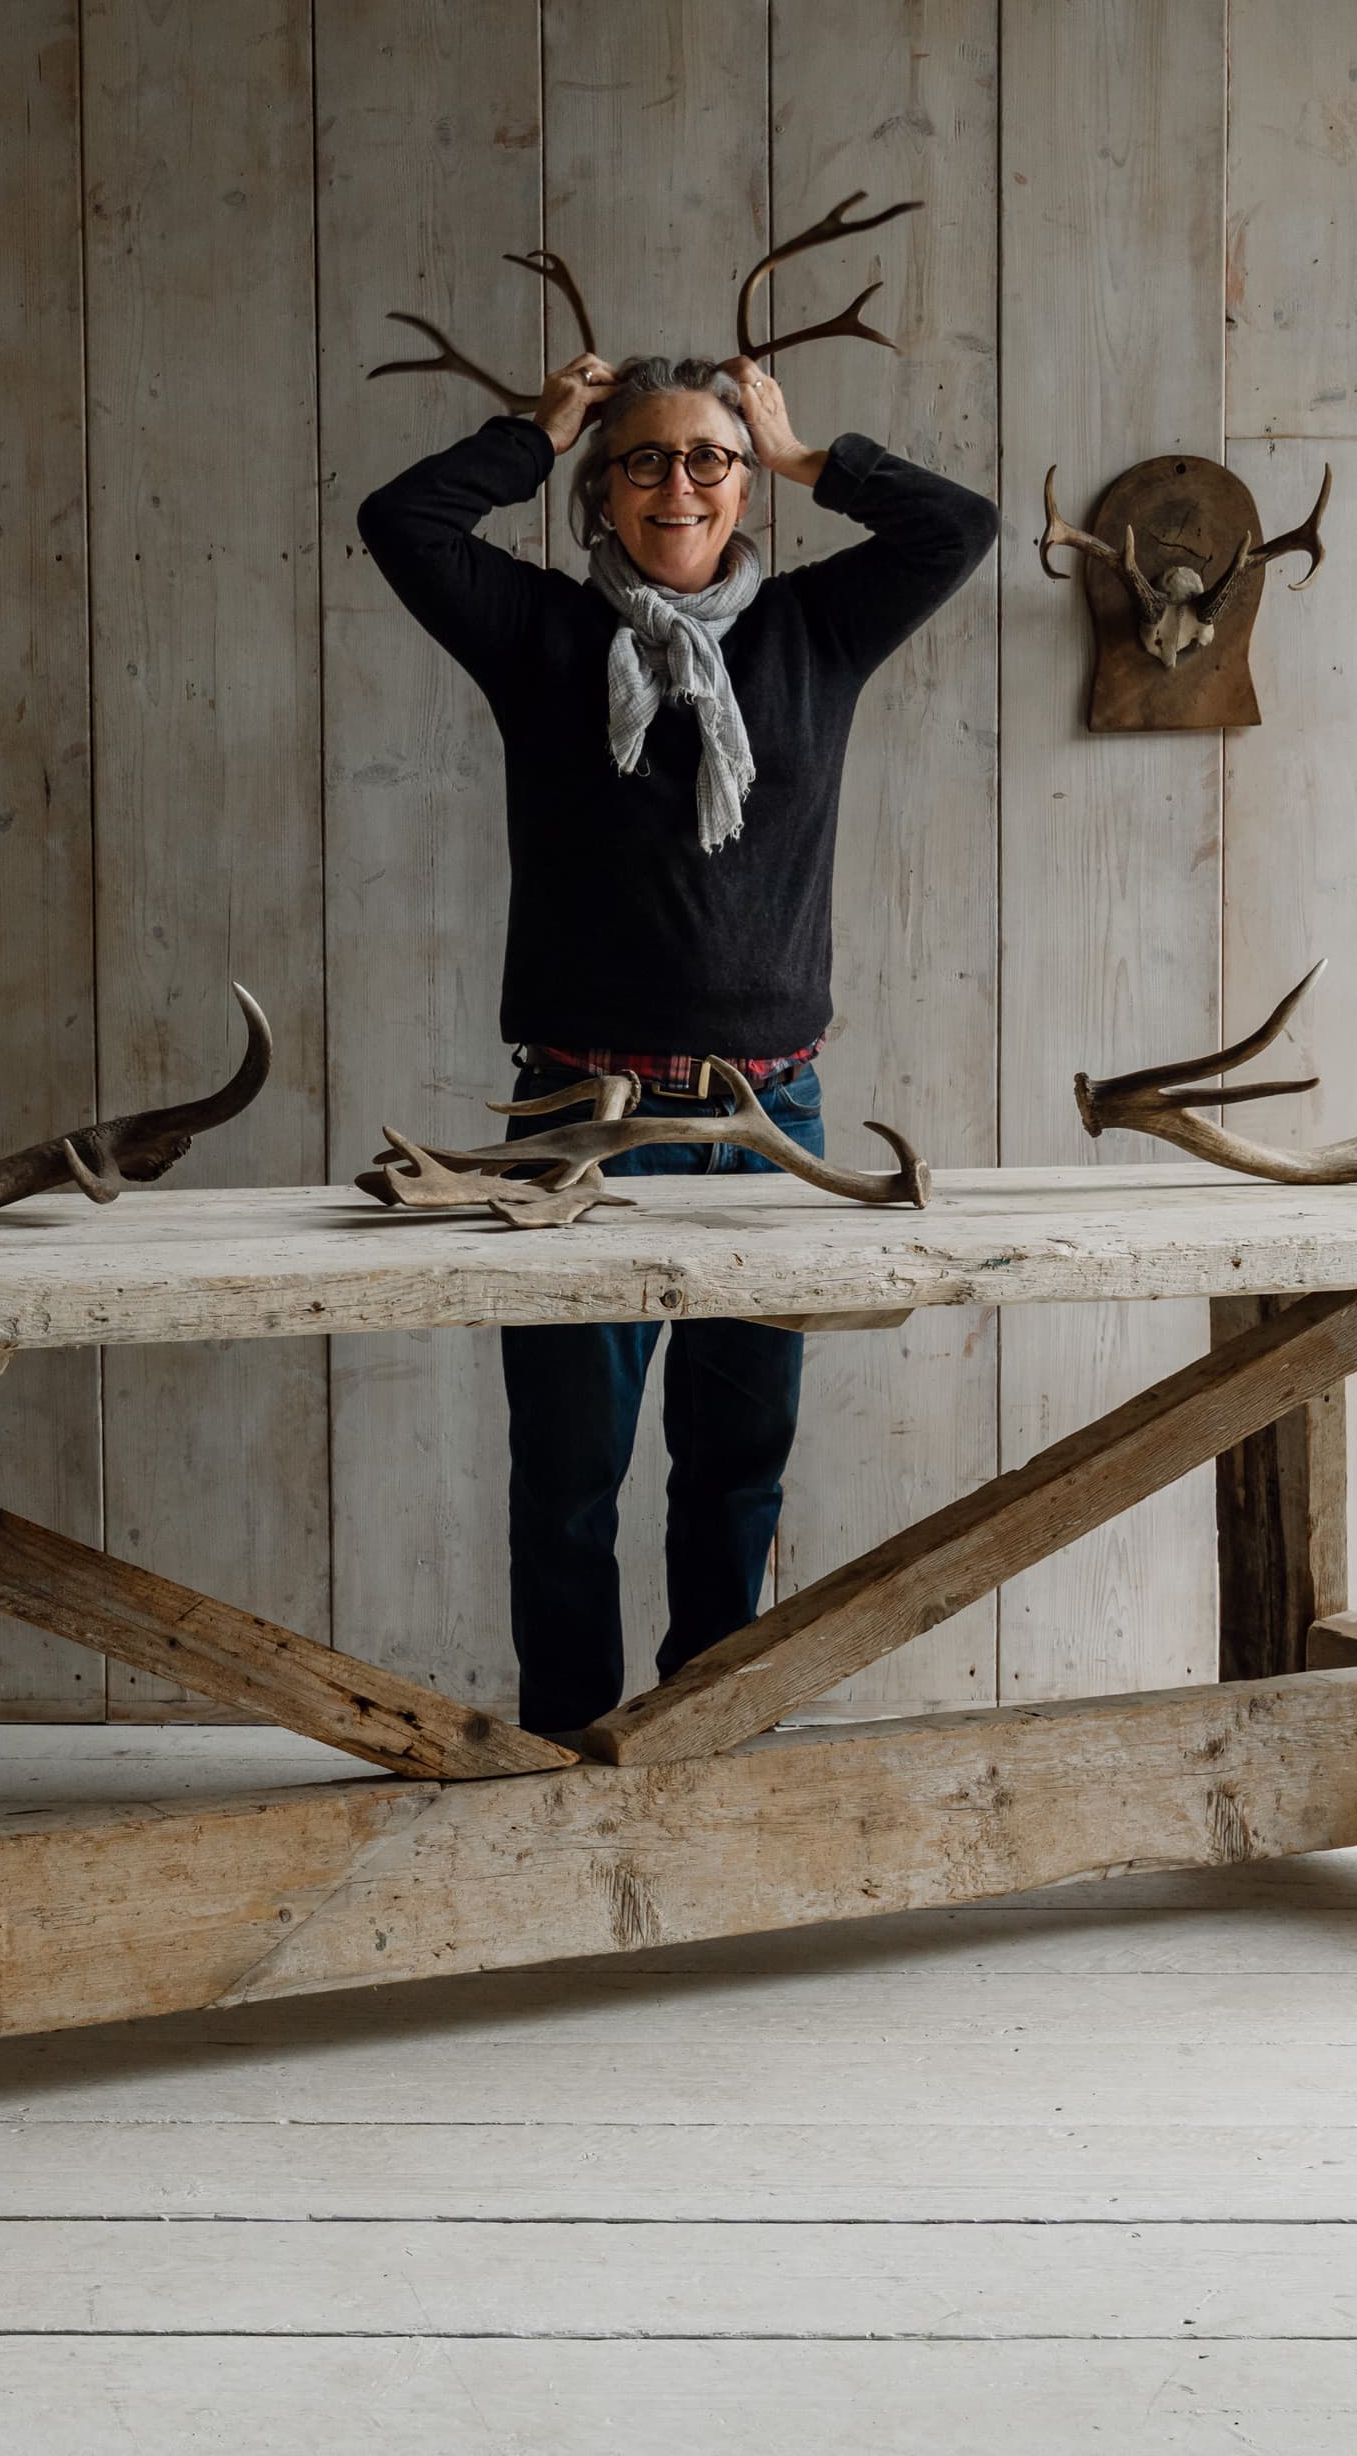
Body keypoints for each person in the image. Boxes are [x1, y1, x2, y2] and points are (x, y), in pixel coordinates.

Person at [357, 348, 995, 1737]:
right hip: (576, 1128)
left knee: (736, 1473)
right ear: (602, 490)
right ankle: (563, 1755)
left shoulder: (817, 630)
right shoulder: (537, 633)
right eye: (643, 459)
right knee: (568, 1481)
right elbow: (401, 521)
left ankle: (701, 1741)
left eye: (710, 457)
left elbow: (960, 526)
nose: (680, 485)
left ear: (746, 483)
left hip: (771, 1128)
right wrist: (536, 431)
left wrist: (814, 453)